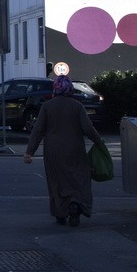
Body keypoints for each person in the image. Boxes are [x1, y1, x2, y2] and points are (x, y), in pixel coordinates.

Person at [23, 75, 108, 227]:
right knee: (78, 179)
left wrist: (30, 152)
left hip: (53, 151)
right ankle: (75, 204)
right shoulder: (77, 106)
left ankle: (60, 213)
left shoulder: (47, 106)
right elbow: (88, 128)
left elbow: (38, 130)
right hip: (75, 149)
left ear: (55, 88)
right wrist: (99, 142)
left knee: (57, 182)